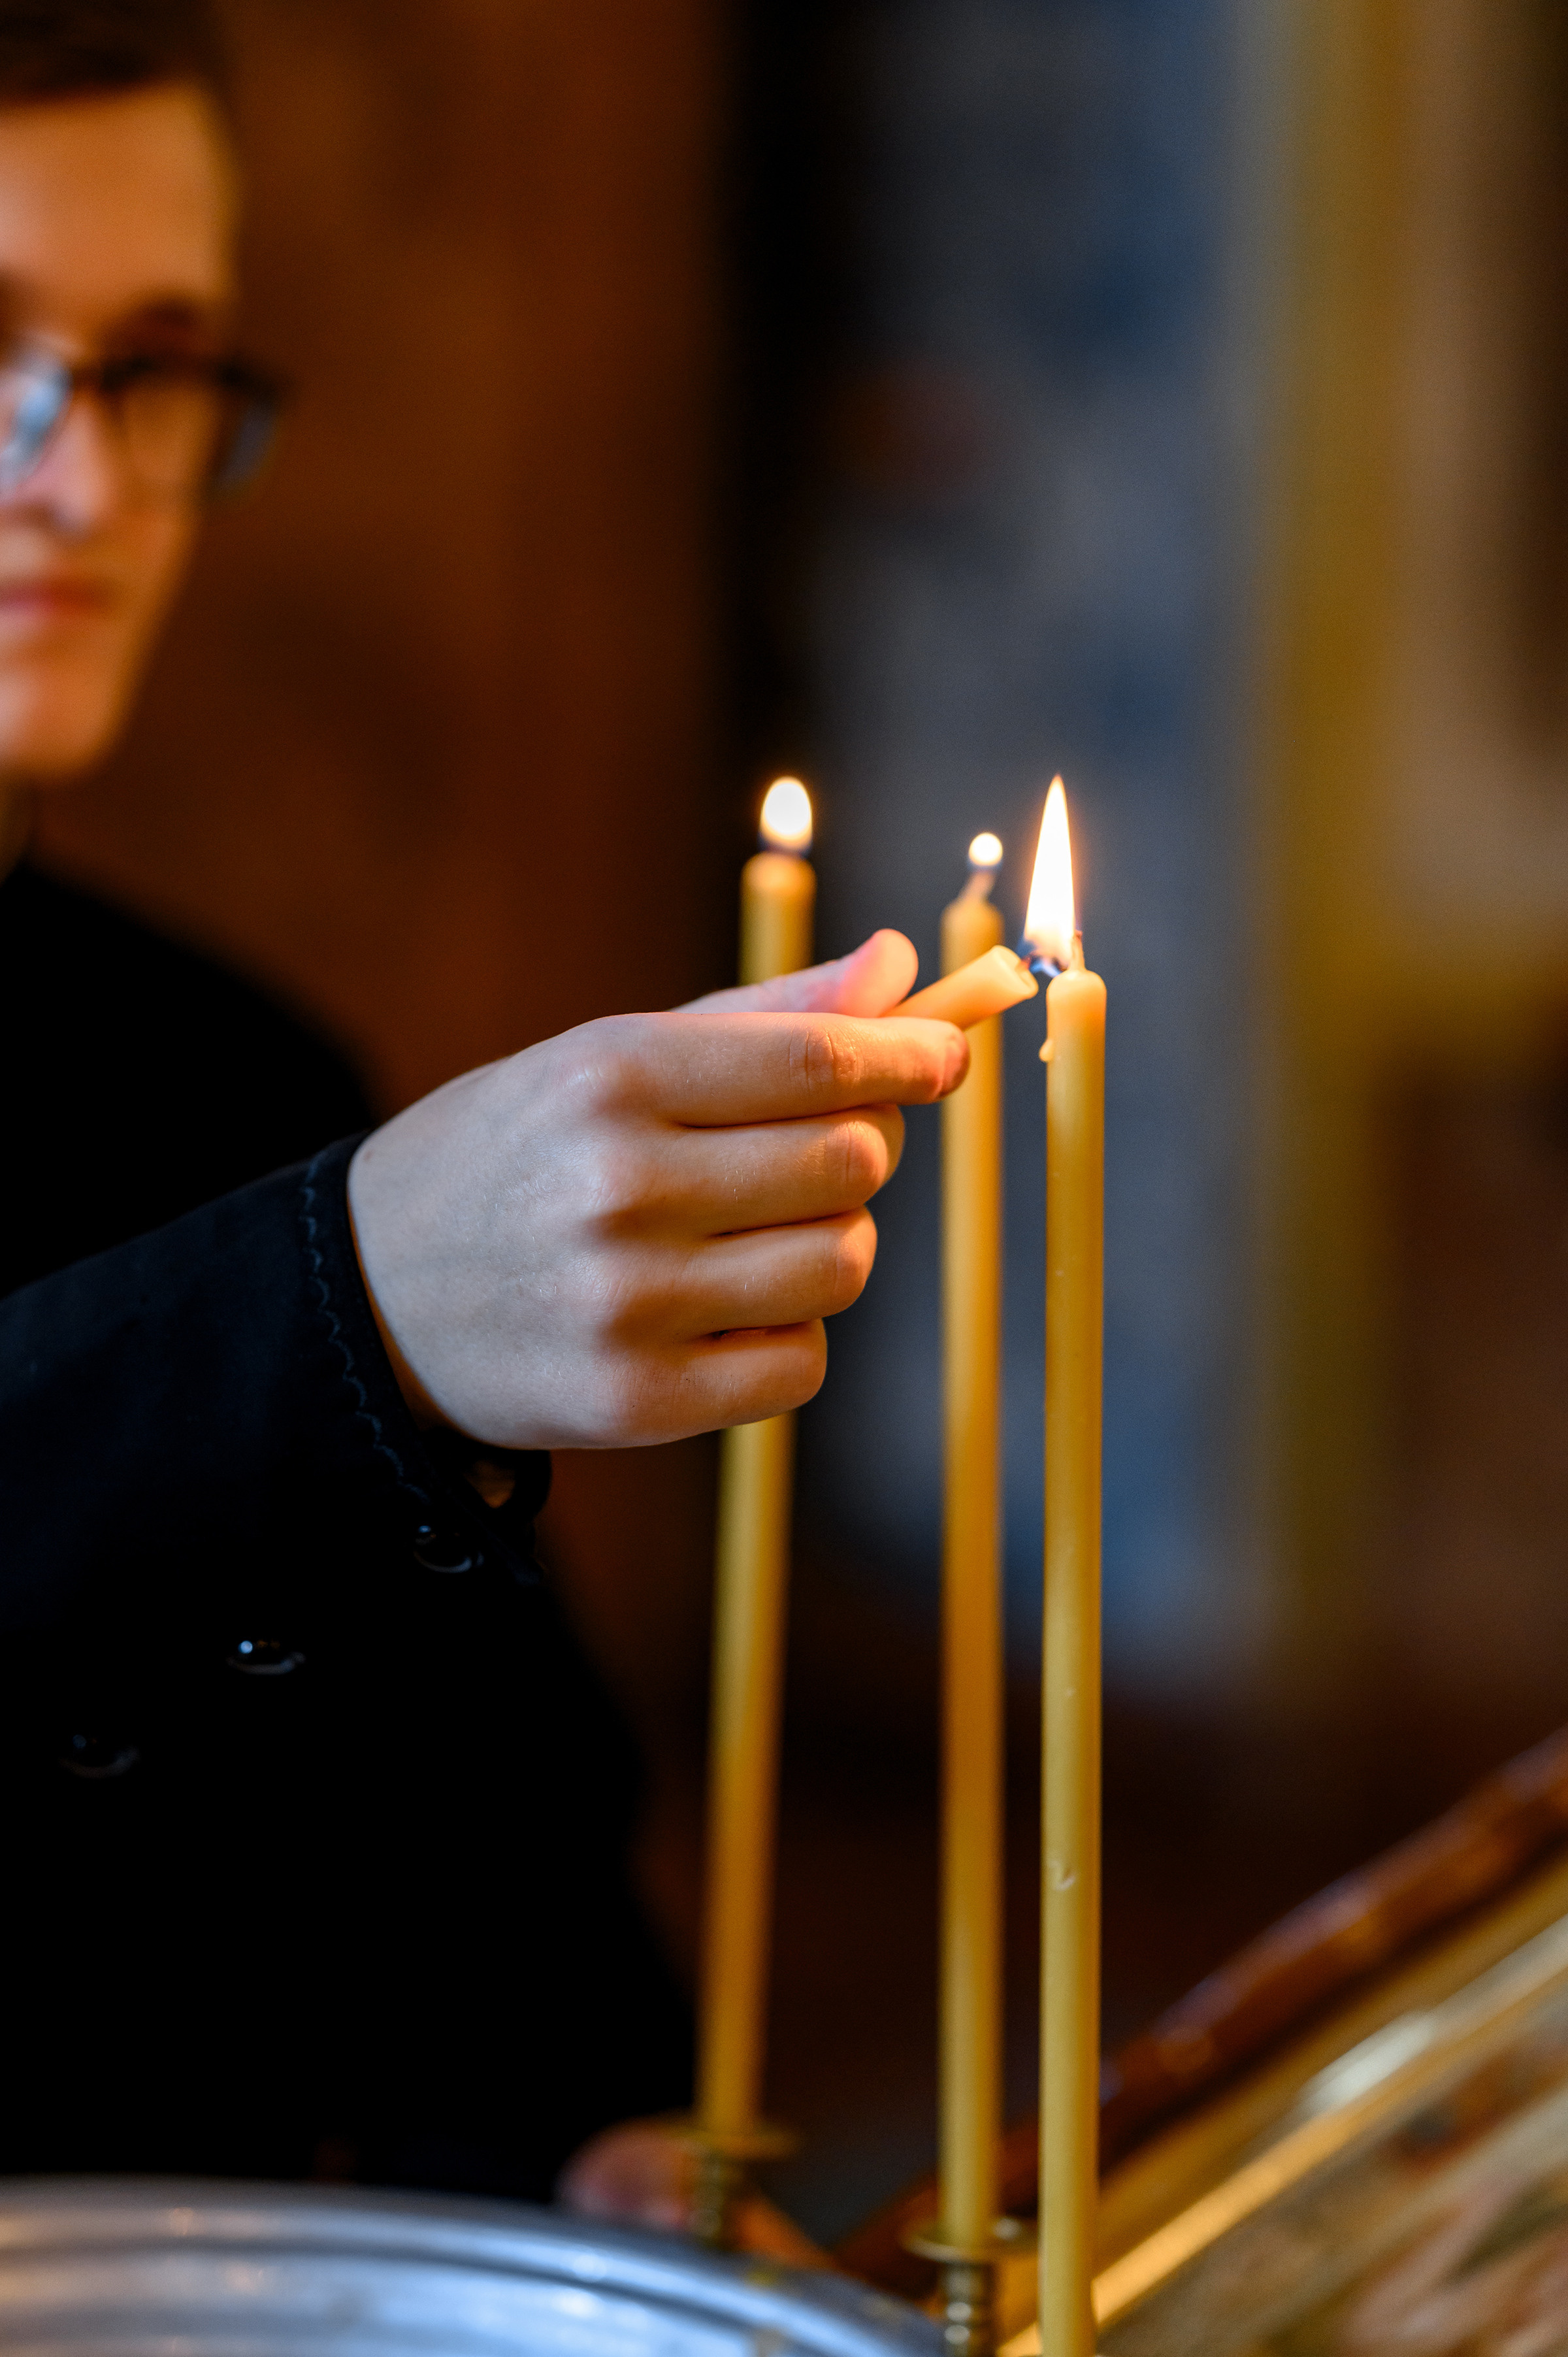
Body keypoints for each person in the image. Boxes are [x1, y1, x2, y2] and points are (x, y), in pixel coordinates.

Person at [0, 1, 963, 2218]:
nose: (79, 476)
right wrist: (337, 1319)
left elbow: (491, 1924)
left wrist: (592, 2155)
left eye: (156, 366)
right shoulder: (326, 1197)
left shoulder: (230, 1084)